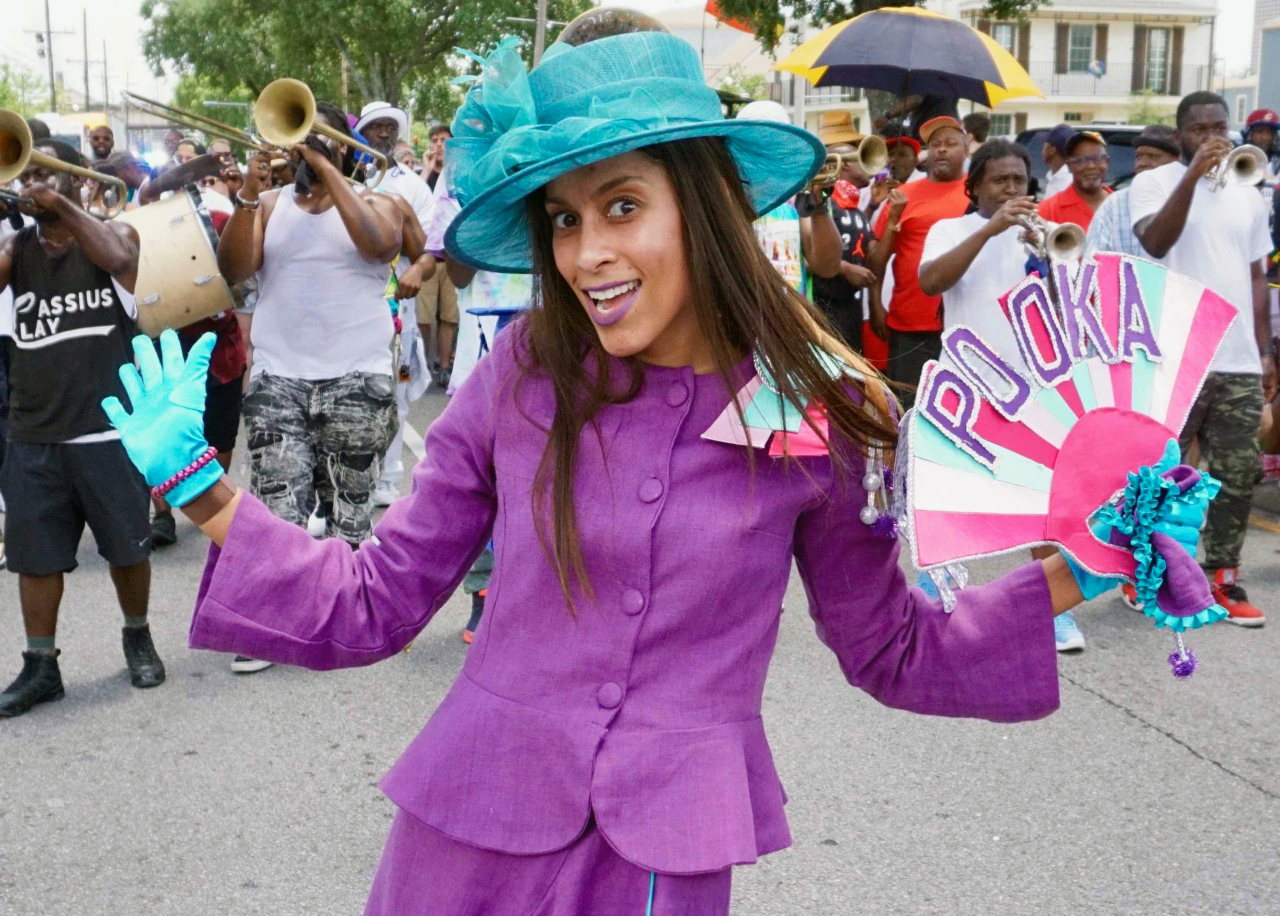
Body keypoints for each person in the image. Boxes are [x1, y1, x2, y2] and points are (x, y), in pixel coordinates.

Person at [97, 24, 1213, 911]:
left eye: (622, 204)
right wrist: (205, 490)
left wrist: (1084, 563)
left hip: (659, 855)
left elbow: (892, 643)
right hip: (463, 834)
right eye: (563, 218)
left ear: (705, 201)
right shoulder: (520, 375)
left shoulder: (820, 412)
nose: (585, 253)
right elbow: (379, 599)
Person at [213, 100, 403, 674]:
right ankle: (274, 622)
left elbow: (380, 247)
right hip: (279, 378)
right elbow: (235, 269)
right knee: (278, 510)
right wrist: (249, 188)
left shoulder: (378, 202)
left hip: (356, 375)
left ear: (344, 149)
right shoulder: (268, 205)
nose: (305, 153)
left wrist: (331, 176)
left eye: (321, 142)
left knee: (348, 511)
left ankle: (343, 617)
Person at [0, 139, 161, 718]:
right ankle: (41, 664)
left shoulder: (115, 236)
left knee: (127, 547)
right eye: (27, 174)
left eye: (46, 173)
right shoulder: (16, 247)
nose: (31, 182)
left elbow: (121, 260)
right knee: (34, 558)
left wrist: (64, 206)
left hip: (107, 428)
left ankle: (136, 634)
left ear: (76, 180)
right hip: (34, 431)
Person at [916, 140, 1088, 652]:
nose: (1013, 190)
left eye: (1020, 180)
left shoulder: (1043, 234)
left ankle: (1049, 609)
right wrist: (992, 229)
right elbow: (930, 282)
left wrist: (1054, 266)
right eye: (1000, 181)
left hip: (1031, 385)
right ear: (975, 188)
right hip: (967, 383)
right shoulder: (953, 229)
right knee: (949, 496)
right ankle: (936, 591)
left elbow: (1071, 306)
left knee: (1040, 503)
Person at [1131, 90, 1274, 626]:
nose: (1213, 138)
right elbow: (1156, 243)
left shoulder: (1249, 190)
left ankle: (1223, 578)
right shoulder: (1154, 182)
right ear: (1179, 135)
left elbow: (1257, 277)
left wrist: (1265, 350)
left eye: (1220, 127)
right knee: (1165, 468)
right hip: (1178, 353)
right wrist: (1191, 175)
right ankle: (1145, 572)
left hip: (1237, 356)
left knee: (1239, 473)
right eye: (1199, 130)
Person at [355, 101, 437, 507]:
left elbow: (433, 248)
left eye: (390, 127)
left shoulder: (413, 186)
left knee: (395, 395)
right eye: (375, 128)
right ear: (362, 134)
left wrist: (419, 270)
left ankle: (388, 478)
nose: (383, 134)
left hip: (396, 310)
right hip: (349, 306)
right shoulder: (345, 178)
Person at [866, 115, 969, 408]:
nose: (941, 150)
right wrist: (875, 304)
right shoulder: (903, 195)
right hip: (909, 325)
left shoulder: (979, 193)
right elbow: (876, 263)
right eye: (935, 144)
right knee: (908, 412)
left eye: (950, 143)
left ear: (966, 149)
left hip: (963, 325)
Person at [735, 100, 842, 295]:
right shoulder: (729, 191)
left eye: (773, 140)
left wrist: (819, 204)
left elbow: (828, 268)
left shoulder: (800, 193)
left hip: (791, 321)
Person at [810, 110, 877, 351]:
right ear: (845, 163)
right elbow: (796, 255)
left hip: (850, 311)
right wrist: (845, 268)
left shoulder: (857, 208)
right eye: (858, 152)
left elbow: (871, 255)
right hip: (823, 310)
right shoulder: (816, 199)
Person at [1084, 125, 1180, 259]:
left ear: (1176, 162)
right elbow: (1094, 263)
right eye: (1139, 156)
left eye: (1153, 157)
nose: (1143, 163)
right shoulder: (1114, 205)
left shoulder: (1190, 199)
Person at [1037, 130, 1110, 232]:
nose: (1091, 166)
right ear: (1069, 166)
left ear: (1107, 162)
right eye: (1081, 161)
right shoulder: (1047, 210)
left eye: (1098, 159)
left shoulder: (1124, 204)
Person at [876, 92, 959, 144]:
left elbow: (915, 101)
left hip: (928, 135)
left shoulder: (925, 74)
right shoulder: (947, 77)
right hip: (951, 130)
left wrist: (887, 116)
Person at [1040, 123, 1075, 199]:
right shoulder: (1053, 177)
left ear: (1052, 150)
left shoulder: (1068, 184)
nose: (1042, 150)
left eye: (1044, 146)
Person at [424, 124, 451, 191]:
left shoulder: (458, 179)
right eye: (434, 141)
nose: (438, 144)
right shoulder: (419, 175)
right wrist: (427, 169)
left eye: (444, 140)